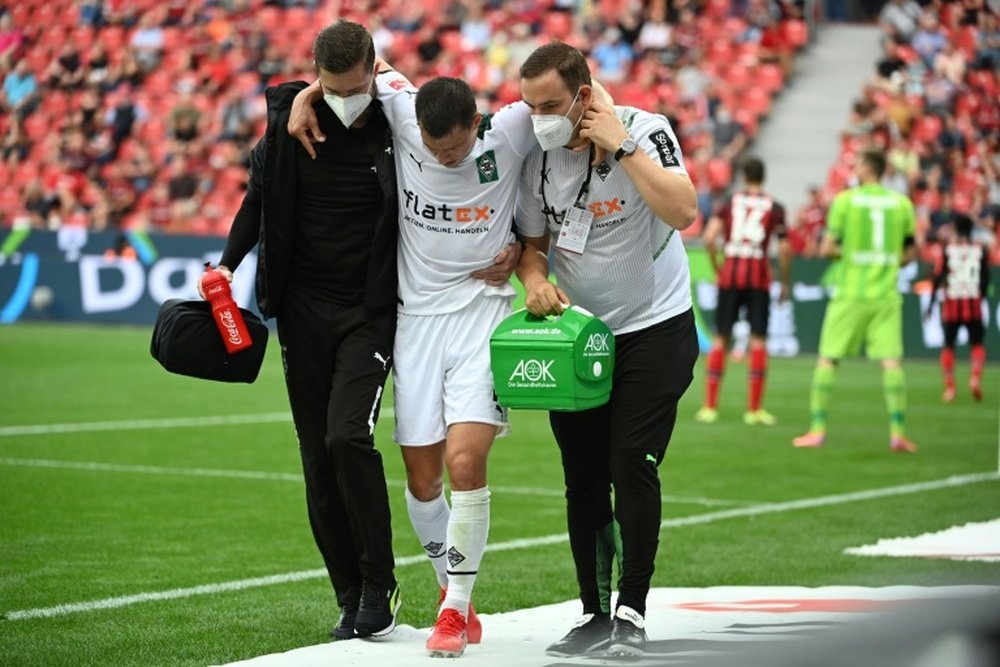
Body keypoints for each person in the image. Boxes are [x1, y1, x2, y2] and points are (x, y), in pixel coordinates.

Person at [288, 35, 535, 658]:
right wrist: (305, 96)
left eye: (452, 148)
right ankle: (456, 591)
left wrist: (528, 254)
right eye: (431, 148)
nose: (441, 157)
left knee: (462, 463)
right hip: (416, 322)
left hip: (484, 314)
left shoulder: (510, 130)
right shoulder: (401, 106)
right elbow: (361, 69)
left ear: (475, 126)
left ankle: (450, 611)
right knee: (423, 483)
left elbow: (574, 93)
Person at [205, 20, 402, 642]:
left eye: (355, 86)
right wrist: (227, 267)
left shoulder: (399, 120)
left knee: (349, 438)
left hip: (370, 310)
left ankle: (379, 580)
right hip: (302, 311)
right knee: (316, 457)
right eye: (330, 88)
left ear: (376, 68)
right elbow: (257, 199)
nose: (346, 99)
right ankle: (348, 592)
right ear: (315, 76)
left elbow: (442, 108)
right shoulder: (287, 125)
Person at [514, 42, 699, 658]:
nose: (539, 116)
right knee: (582, 478)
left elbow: (685, 209)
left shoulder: (647, 129)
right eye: (528, 104)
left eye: (550, 104)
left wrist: (622, 145)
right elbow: (533, 247)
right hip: (580, 338)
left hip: (655, 329)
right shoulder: (537, 158)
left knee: (630, 463)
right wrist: (535, 280)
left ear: (584, 97)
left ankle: (632, 611)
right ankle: (593, 613)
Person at [793, 147, 919, 453]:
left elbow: (826, 249)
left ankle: (818, 429)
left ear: (865, 168)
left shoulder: (845, 201)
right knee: (891, 363)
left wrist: (850, 255)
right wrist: (884, 261)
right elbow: (909, 254)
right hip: (886, 294)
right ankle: (898, 433)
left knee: (828, 359)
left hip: (850, 292)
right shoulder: (901, 204)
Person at [695, 156, 792, 426]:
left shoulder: (728, 202)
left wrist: (718, 268)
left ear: (743, 176)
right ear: (763, 177)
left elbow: (709, 238)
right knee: (758, 339)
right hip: (758, 278)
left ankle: (710, 407)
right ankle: (754, 410)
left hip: (730, 276)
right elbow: (784, 248)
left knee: (721, 339)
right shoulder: (775, 207)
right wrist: (785, 281)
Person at [925, 214, 990, 402]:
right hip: (973, 303)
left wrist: (930, 304)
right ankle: (975, 378)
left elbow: (938, 277)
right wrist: (981, 297)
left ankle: (950, 388)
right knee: (977, 344)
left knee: (948, 346)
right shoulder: (980, 249)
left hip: (953, 303)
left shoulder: (949, 249)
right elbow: (985, 279)